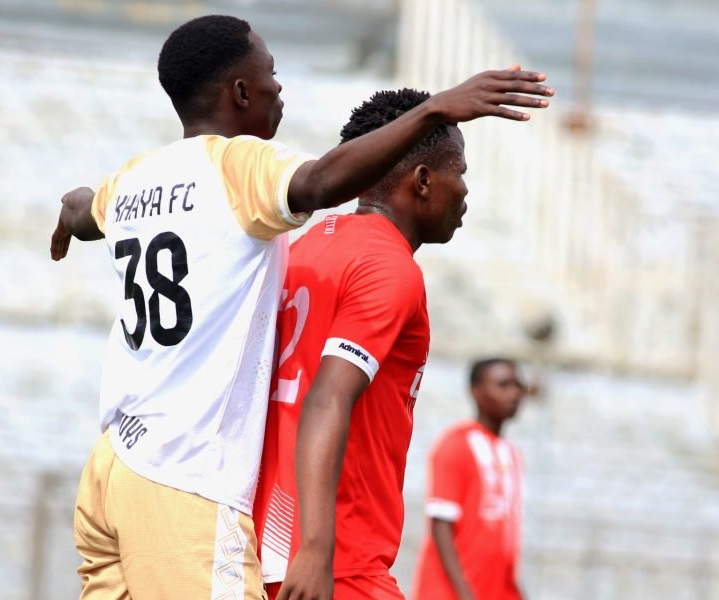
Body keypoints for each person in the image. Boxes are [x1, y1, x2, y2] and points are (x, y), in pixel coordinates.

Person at [49, 14, 554, 600]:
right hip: (185, 473)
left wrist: (67, 216)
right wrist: (436, 108)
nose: (280, 88)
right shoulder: (241, 167)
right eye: (272, 74)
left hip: (113, 464)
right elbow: (318, 182)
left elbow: (85, 207)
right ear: (241, 92)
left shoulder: (137, 178)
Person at [254, 87, 489, 600]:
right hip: (339, 563)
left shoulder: (299, 247)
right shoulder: (388, 267)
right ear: (424, 181)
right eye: (462, 173)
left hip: (264, 550)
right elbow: (328, 396)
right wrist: (318, 550)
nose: (466, 190)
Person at [412, 358, 528, 600]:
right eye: (503, 385)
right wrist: (465, 594)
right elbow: (441, 526)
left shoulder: (512, 454)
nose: (514, 393)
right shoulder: (456, 444)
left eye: (518, 385)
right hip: (451, 593)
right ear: (477, 391)